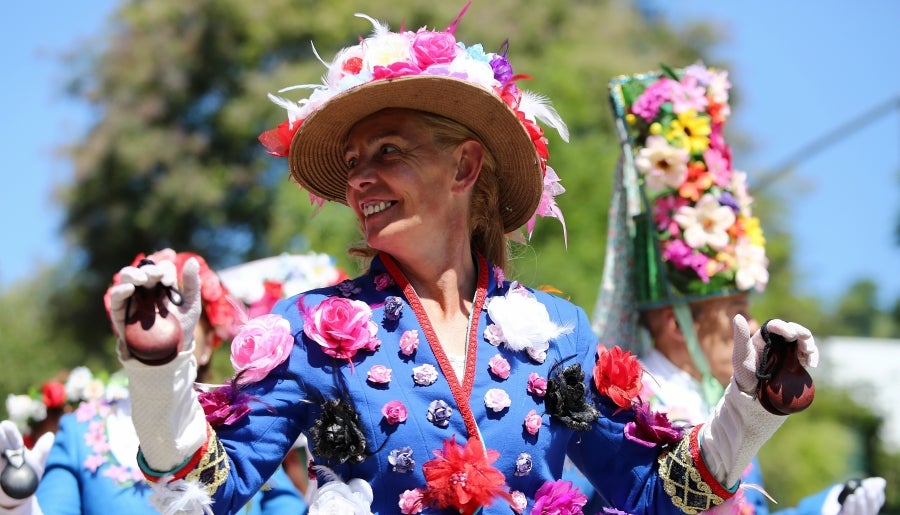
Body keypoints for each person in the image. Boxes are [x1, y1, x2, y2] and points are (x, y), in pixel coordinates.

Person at [98, 6, 822, 514]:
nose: (358, 180)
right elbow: (208, 490)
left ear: (465, 166)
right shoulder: (315, 328)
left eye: (388, 152)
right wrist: (157, 375)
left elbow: (651, 492)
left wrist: (750, 411)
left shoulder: (558, 335)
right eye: (352, 163)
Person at [590, 64, 887, 513]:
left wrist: (826, 507)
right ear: (675, 322)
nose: (751, 327)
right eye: (735, 310)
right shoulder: (632, 405)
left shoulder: (722, 396)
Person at [0, 249, 307, 515]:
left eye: (178, 307)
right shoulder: (79, 431)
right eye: (141, 312)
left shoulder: (243, 425)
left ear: (209, 342)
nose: (158, 318)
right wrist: (15, 504)